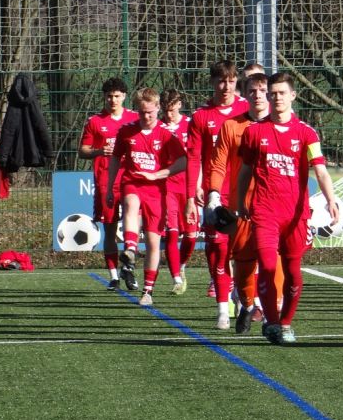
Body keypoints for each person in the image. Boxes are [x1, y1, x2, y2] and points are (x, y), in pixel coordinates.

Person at [235, 73, 339, 344]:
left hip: (295, 215)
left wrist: (330, 200)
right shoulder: (254, 132)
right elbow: (245, 171)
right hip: (264, 212)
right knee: (268, 267)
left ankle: (286, 322)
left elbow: (321, 170)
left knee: (293, 273)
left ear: (293, 95)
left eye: (282, 93)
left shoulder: (306, 133)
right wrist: (238, 202)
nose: (277, 98)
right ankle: (271, 321)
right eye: (273, 93)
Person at [106, 88, 187, 305]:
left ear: (158, 108)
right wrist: (109, 187)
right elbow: (115, 158)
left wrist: (158, 174)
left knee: (153, 241)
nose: (146, 117)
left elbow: (183, 161)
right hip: (132, 183)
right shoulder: (127, 131)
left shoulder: (167, 134)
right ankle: (131, 249)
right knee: (131, 204)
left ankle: (148, 291)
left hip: (156, 190)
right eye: (142, 113)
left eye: (150, 112)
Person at [186, 60, 249, 327]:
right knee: (217, 250)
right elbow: (193, 157)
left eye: (231, 81)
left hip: (245, 192)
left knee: (246, 249)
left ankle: (247, 298)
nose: (226, 86)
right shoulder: (201, 116)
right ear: (212, 82)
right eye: (221, 81)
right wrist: (193, 193)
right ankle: (223, 307)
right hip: (215, 193)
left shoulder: (247, 110)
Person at [210, 72, 270, 333]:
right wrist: (213, 194)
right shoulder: (231, 126)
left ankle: (272, 315)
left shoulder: (285, 126)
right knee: (243, 264)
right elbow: (219, 163)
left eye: (263, 90)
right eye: (252, 91)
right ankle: (247, 304)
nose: (258, 95)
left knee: (272, 261)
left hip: (273, 206)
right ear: (243, 95)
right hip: (242, 206)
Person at [78, 77, 138, 289]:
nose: (113, 100)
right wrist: (97, 151)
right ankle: (113, 276)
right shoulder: (95, 121)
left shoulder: (135, 119)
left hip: (132, 180)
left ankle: (129, 270)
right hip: (106, 182)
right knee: (110, 230)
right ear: (104, 97)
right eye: (109, 96)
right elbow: (83, 150)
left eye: (117, 96)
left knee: (134, 226)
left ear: (124, 96)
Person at [159, 89, 195, 294]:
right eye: (166, 110)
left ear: (179, 105)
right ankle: (176, 279)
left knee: (190, 236)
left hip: (188, 186)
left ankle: (181, 266)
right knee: (171, 234)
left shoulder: (191, 125)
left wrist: (198, 185)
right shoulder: (158, 126)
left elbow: (197, 155)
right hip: (166, 188)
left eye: (172, 109)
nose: (169, 114)